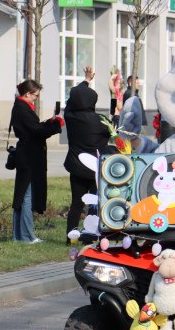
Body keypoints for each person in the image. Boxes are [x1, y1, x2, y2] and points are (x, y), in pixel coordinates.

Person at [10, 79, 63, 243]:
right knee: (26, 197)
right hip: (29, 157)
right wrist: (57, 124)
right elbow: (37, 131)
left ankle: (18, 235)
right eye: (35, 95)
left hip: (26, 155)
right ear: (27, 94)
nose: (36, 98)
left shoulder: (21, 106)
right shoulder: (23, 109)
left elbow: (35, 127)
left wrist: (52, 121)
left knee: (21, 196)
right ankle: (26, 236)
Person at [63, 66, 113, 237]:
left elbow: (74, 97)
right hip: (94, 168)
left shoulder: (70, 116)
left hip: (76, 167)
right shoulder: (100, 121)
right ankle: (90, 233)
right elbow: (114, 132)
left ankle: (71, 236)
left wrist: (85, 80)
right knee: (93, 202)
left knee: (76, 203)